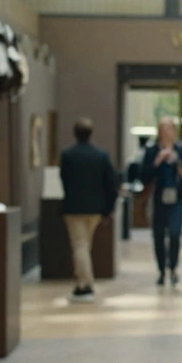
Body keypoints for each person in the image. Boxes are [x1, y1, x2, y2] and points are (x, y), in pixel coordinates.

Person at [59, 118, 117, 303]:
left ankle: (86, 284)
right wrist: (108, 209)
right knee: (84, 245)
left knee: (80, 245)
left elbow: (65, 180)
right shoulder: (100, 155)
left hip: (74, 207)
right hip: (95, 208)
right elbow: (111, 183)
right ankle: (80, 283)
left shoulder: (68, 155)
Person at [141, 116, 182, 287]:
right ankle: (162, 269)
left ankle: (173, 267)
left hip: (177, 199)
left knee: (175, 233)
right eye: (162, 129)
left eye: (169, 129)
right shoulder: (151, 150)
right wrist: (157, 161)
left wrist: (177, 164)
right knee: (158, 235)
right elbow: (144, 176)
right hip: (158, 198)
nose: (166, 133)